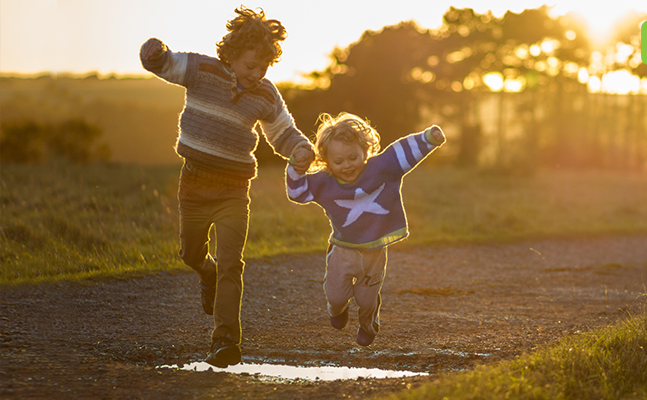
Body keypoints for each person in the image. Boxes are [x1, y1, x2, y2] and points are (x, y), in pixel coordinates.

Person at [139, 6, 314, 368]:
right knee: (190, 253)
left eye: (263, 68)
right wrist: (154, 54)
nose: (256, 74)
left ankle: (224, 341)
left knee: (233, 264)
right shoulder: (202, 70)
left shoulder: (265, 94)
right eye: (250, 65)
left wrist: (300, 149)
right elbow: (167, 64)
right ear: (231, 56)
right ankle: (207, 272)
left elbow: (283, 132)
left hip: (235, 190)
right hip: (195, 184)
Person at [285, 112, 445, 346]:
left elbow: (401, 153)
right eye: (338, 162)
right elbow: (296, 193)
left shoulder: (380, 168)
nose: (347, 165)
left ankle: (369, 325)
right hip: (342, 250)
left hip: (374, 251)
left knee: (367, 299)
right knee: (336, 295)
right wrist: (296, 168)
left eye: (353, 157)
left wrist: (428, 138)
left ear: (365, 151)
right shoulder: (324, 182)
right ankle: (337, 311)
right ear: (327, 161)